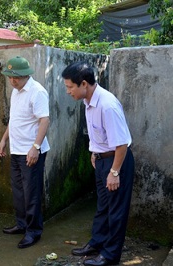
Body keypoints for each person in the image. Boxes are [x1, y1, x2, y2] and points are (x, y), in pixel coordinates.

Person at [62, 61, 135, 266]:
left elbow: (121, 144)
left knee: (116, 210)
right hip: (103, 159)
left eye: (69, 87)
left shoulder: (107, 105)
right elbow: (100, 134)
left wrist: (114, 172)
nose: (68, 91)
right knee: (103, 206)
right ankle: (97, 243)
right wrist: (95, 153)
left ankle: (110, 255)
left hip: (116, 161)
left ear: (83, 84)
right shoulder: (89, 101)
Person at [0, 56, 50, 249]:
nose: (12, 81)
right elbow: (15, 120)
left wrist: (35, 148)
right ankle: (21, 224)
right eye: (10, 77)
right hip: (16, 150)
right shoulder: (16, 92)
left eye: (16, 77)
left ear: (26, 75)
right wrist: (3, 140)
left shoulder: (37, 92)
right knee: (19, 191)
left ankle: (33, 231)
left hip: (31, 152)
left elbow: (44, 120)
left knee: (31, 193)